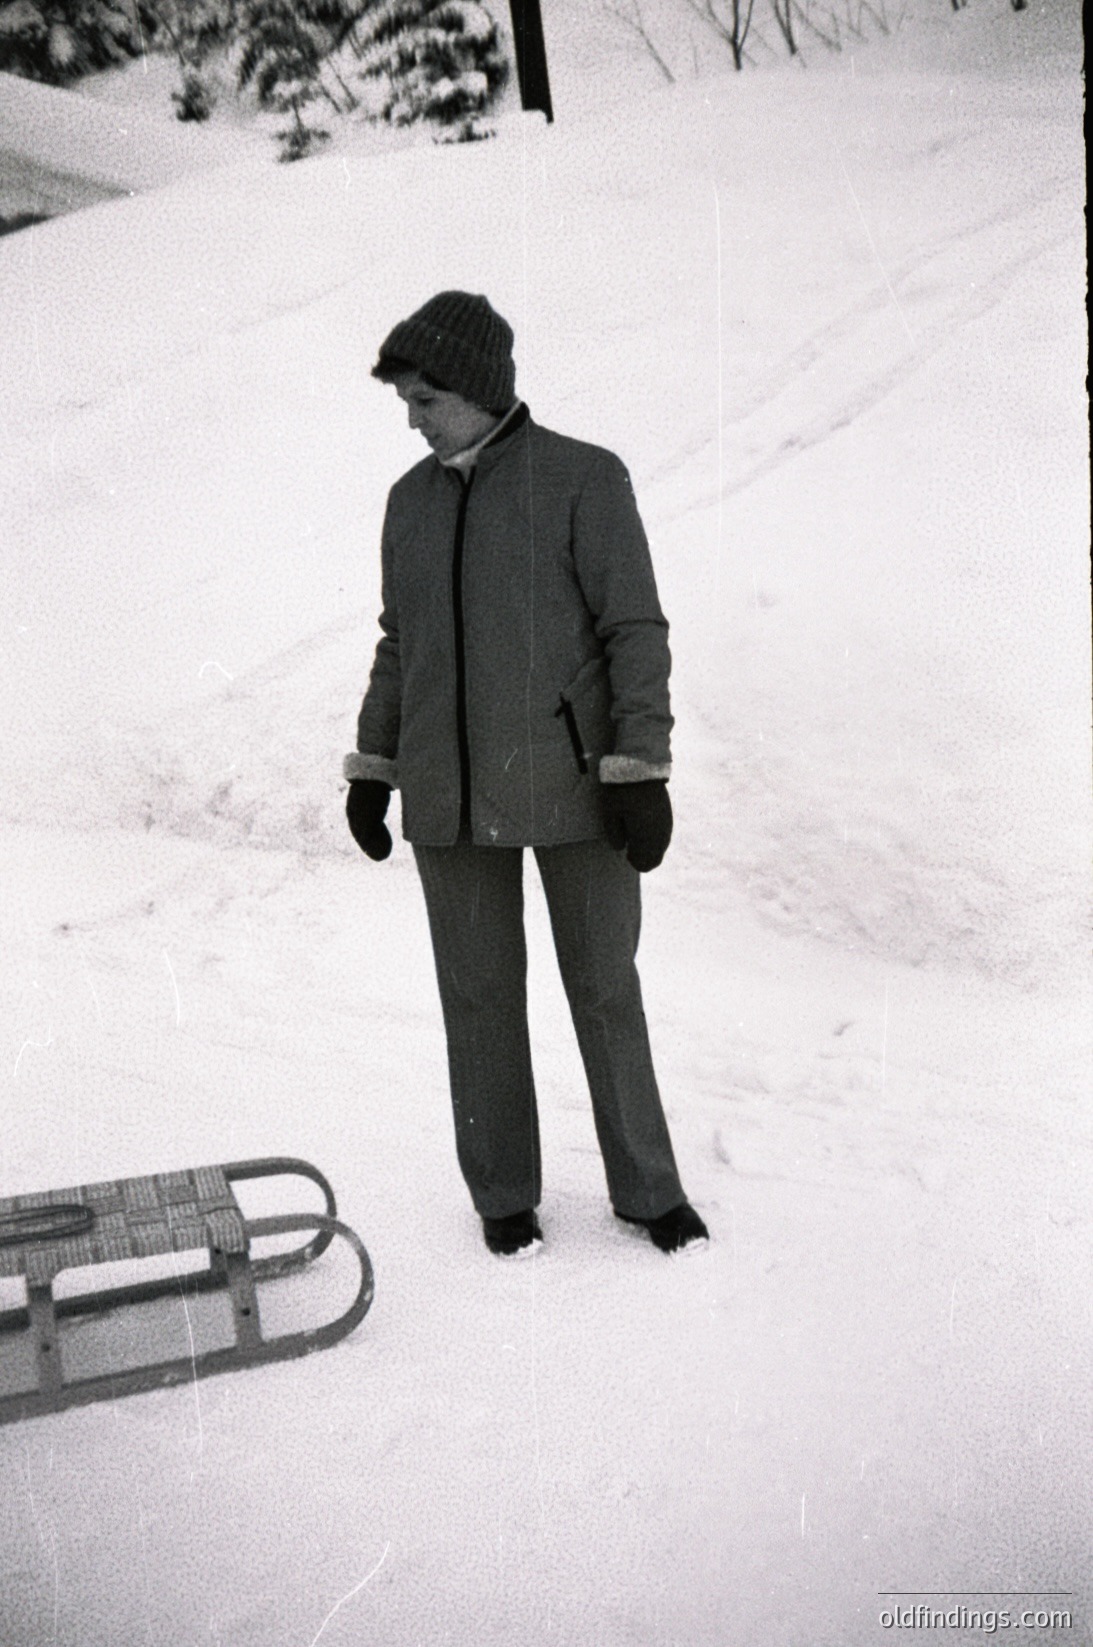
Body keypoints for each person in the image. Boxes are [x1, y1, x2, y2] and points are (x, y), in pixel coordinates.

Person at [344, 290, 708, 1258]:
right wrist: (376, 763)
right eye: (406, 403)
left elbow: (634, 627)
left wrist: (640, 769)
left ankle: (649, 1190)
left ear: (477, 388)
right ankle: (502, 1195)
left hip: (578, 787)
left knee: (604, 991)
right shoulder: (408, 504)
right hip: (447, 796)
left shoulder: (583, 478)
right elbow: (399, 643)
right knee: (476, 998)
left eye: (425, 400)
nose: (413, 421)